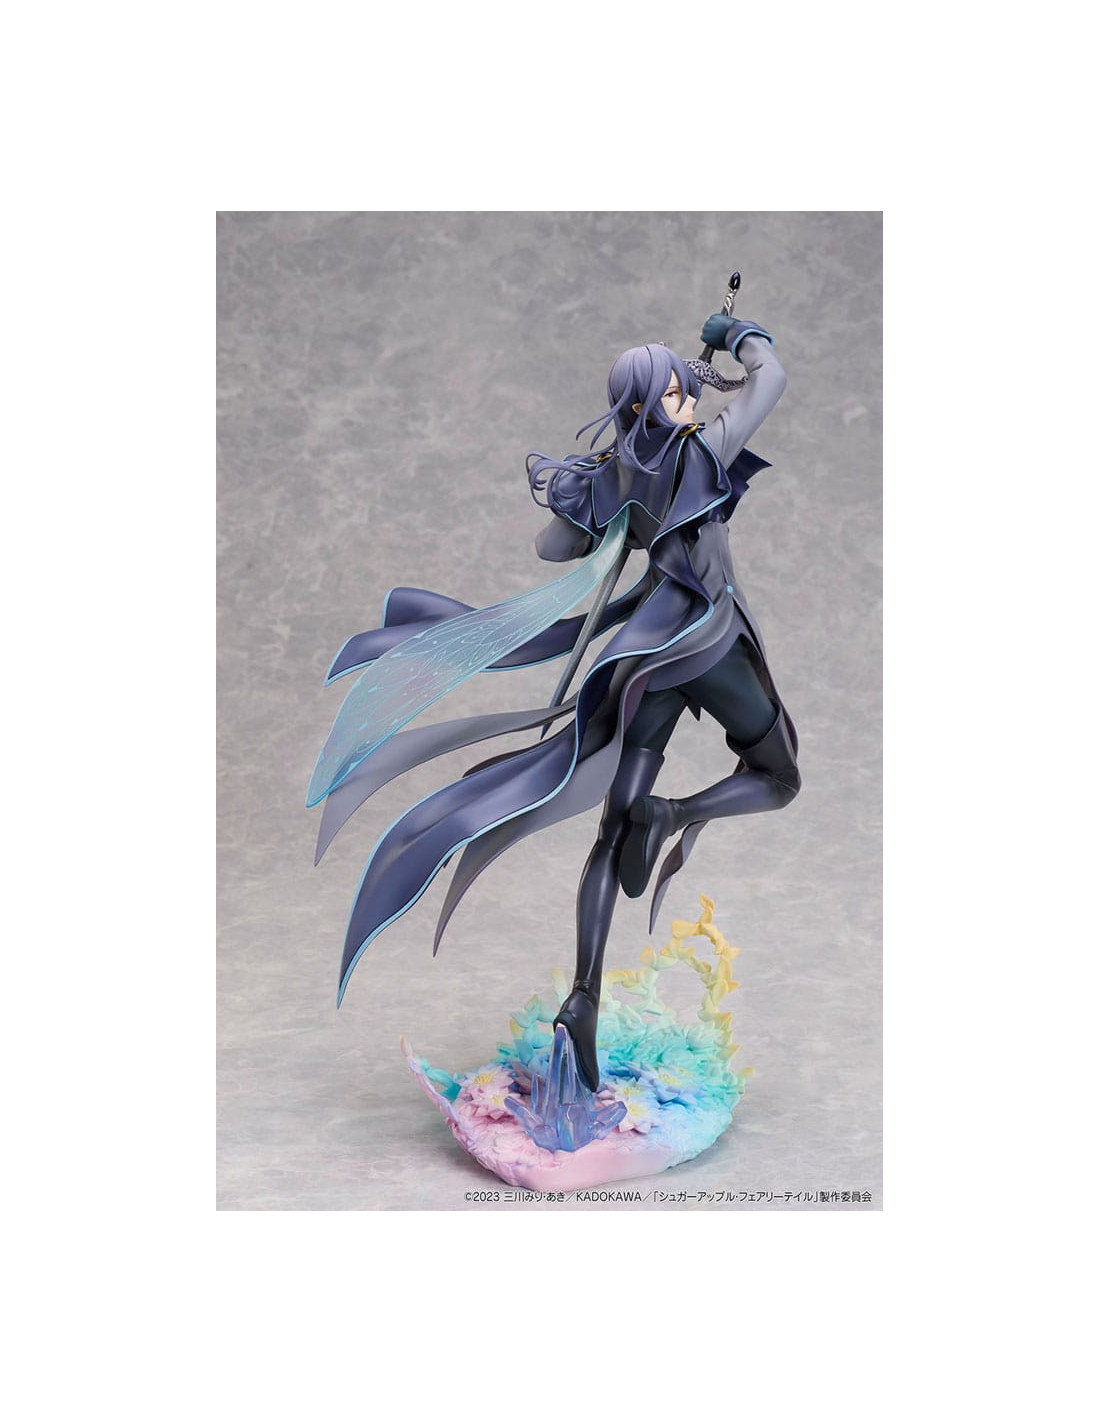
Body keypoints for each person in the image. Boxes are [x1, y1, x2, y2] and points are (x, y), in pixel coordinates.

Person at [310, 311, 799, 1093]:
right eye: (676, 393)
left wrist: (599, 487)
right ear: (648, 405)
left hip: (642, 659)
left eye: (687, 389)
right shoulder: (704, 452)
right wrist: (742, 332)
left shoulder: (615, 475)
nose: (689, 402)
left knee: (609, 836)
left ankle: (584, 997)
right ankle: (675, 813)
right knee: (778, 775)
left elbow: (557, 547)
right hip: (707, 646)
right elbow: (770, 377)